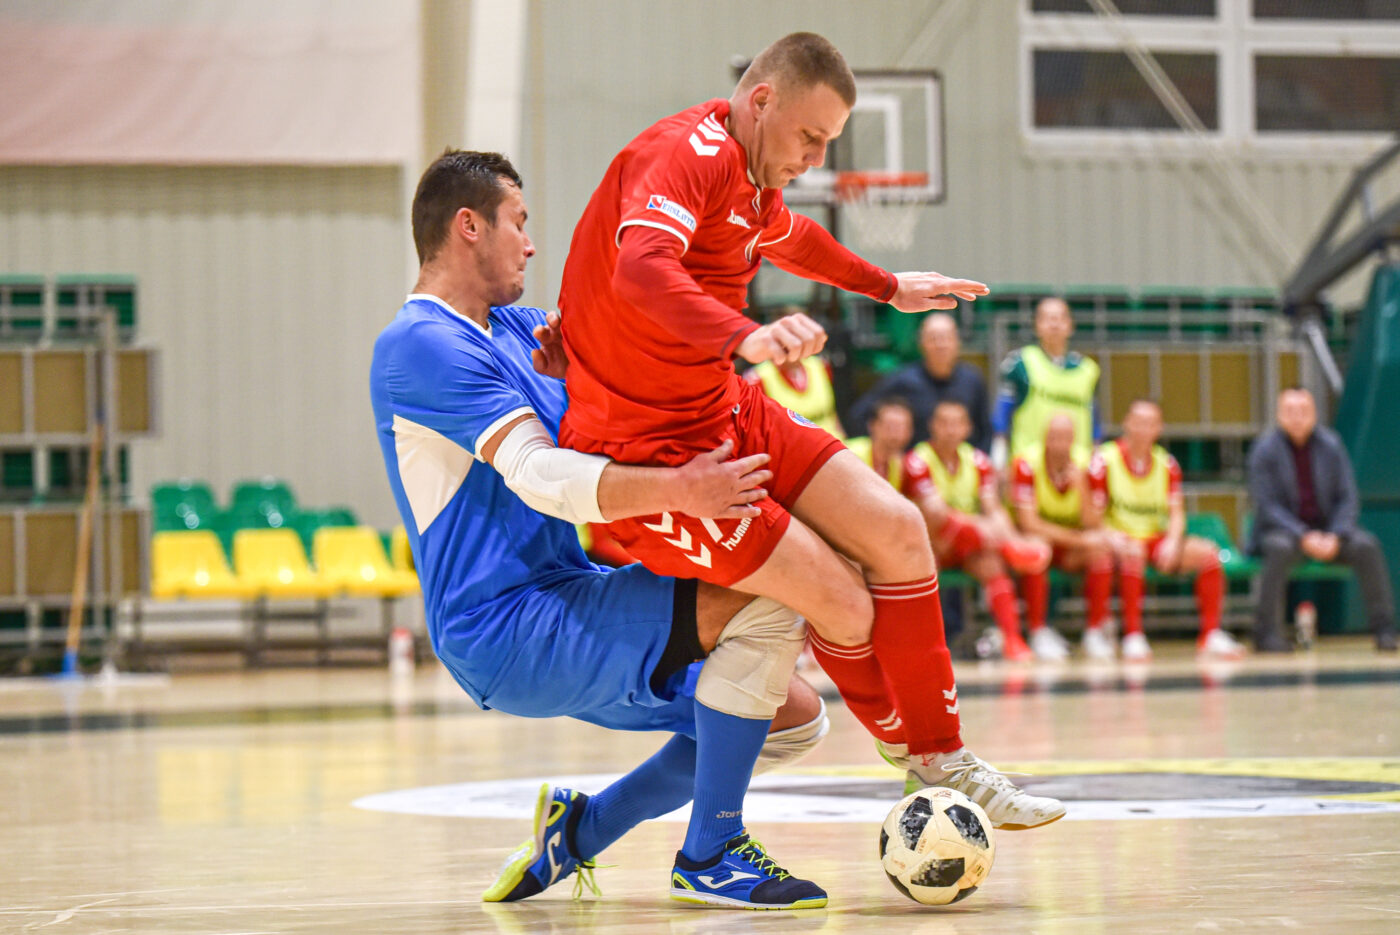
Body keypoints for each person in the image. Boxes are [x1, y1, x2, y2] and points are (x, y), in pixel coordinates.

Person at [557, 32, 1063, 826]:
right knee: (842, 600)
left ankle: (943, 757)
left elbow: (792, 238)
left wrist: (888, 286)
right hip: (652, 454)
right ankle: (908, 751)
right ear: (761, 100)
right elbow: (641, 268)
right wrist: (745, 334)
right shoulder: (684, 154)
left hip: (721, 407)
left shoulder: (752, 175)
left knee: (899, 530)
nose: (818, 158)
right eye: (810, 136)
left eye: (829, 142)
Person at [370, 150, 832, 910]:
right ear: (468, 226)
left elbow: (622, 409)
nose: (530, 244)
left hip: (567, 590)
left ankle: (582, 831)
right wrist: (684, 490)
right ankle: (711, 853)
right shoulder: (419, 344)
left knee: (790, 718)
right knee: (767, 592)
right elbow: (539, 475)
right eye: (519, 223)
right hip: (504, 624)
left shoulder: (522, 329)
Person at [1086, 399, 1247, 661]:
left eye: (1150, 423)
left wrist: (1172, 541)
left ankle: (1211, 634)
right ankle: (1133, 635)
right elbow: (1092, 518)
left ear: (1159, 428)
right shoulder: (1104, 460)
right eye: (1138, 422)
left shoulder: (1167, 464)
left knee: (1208, 554)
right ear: (1126, 423)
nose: (1143, 429)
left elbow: (1176, 513)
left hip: (1153, 538)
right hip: (1118, 540)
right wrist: (1113, 537)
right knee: (1133, 554)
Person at [1246, 387, 1397, 653]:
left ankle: (1384, 629)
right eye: (1290, 411)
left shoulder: (1331, 445)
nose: (1297, 417)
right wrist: (1303, 535)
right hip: (1283, 532)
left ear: (1314, 414)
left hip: (1329, 531)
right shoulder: (1264, 450)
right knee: (1278, 549)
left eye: (1303, 411)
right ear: (1279, 415)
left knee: (1367, 545)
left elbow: (1348, 497)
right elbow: (1267, 506)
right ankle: (1266, 634)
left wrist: (1336, 534)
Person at [903, 401, 1052, 662]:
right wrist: (983, 529)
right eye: (944, 423)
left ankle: (1013, 639)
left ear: (968, 428)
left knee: (991, 564)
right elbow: (934, 511)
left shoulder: (979, 461)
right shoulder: (917, 460)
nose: (950, 430)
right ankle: (1008, 550)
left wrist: (1008, 534)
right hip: (930, 543)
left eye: (956, 423)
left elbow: (993, 507)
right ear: (932, 426)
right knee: (941, 534)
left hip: (968, 544)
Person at [1010, 414, 1116, 661]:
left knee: (1101, 552)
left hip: (1070, 547)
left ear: (1074, 439)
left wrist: (1081, 487)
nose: (1059, 443)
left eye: (1066, 437)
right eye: (1054, 437)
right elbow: (1029, 523)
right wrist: (1079, 540)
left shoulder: (1090, 465)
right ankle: (1037, 632)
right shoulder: (1026, 463)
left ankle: (1094, 632)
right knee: (1037, 550)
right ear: (1045, 437)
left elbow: (1094, 522)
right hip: (1043, 541)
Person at [846, 312, 991, 448]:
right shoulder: (902, 380)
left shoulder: (972, 380)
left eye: (946, 338)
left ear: (957, 342)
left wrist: (980, 461)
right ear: (921, 343)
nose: (940, 345)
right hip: (911, 464)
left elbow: (985, 429)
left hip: (960, 463)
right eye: (933, 338)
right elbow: (859, 415)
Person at [992, 296, 1100, 469]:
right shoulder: (1019, 364)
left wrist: (1095, 459)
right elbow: (1001, 417)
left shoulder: (1088, 370)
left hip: (1077, 468)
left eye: (1060, 318)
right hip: (1029, 467)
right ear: (1036, 325)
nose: (1054, 325)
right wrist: (999, 460)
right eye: (1048, 318)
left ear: (1070, 325)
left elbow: (1095, 422)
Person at [745, 307, 843, 437]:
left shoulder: (820, 366)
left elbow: (831, 414)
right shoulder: (757, 379)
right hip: (794, 448)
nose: (798, 339)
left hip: (833, 443)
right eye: (791, 333)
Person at [844, 396, 914, 487]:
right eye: (890, 427)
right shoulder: (850, 453)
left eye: (902, 428)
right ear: (872, 425)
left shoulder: (899, 465)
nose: (895, 434)